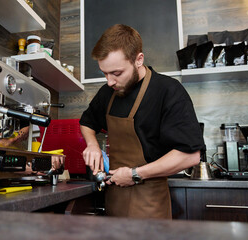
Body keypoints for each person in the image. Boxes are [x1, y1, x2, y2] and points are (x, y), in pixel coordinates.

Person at [79, 24, 205, 219]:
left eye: (117, 73)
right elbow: (87, 122)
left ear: (138, 60)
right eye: (104, 73)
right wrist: (93, 145)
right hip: (114, 200)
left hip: (149, 204)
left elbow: (189, 156)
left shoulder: (168, 91)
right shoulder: (108, 92)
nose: (110, 81)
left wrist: (135, 174)